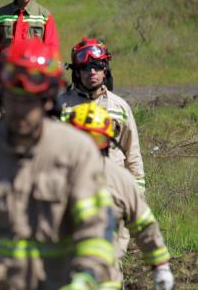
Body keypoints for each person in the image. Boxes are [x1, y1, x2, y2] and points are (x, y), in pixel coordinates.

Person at [0, 38, 114, 289]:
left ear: (49, 99)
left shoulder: (77, 152)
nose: (19, 109)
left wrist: (84, 282)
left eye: (30, 100)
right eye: (13, 97)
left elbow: (98, 233)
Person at [67, 102, 174, 290]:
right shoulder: (49, 174)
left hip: (105, 279)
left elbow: (144, 225)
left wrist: (160, 266)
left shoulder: (119, 179)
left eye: (94, 139)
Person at [58, 38, 145, 191]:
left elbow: (132, 155)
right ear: (77, 72)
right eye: (85, 67)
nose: (92, 72)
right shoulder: (60, 106)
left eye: (97, 66)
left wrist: (138, 195)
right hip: (73, 192)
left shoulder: (120, 107)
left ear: (104, 70)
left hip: (113, 191)